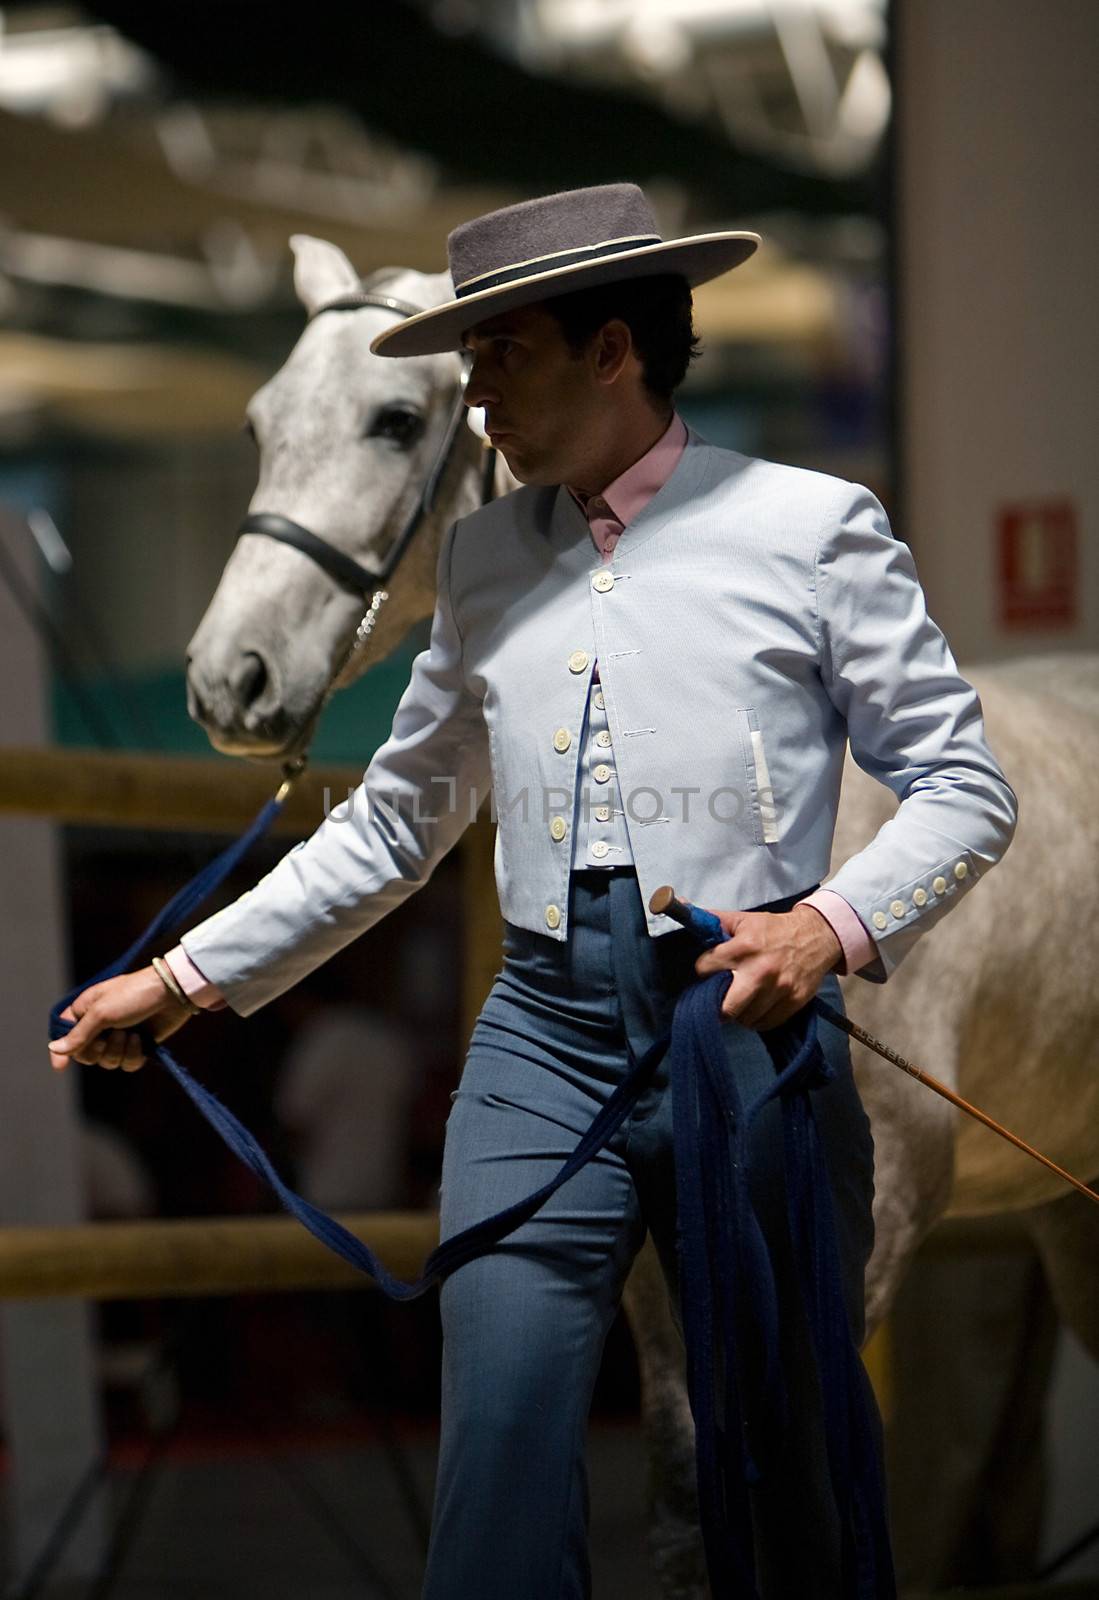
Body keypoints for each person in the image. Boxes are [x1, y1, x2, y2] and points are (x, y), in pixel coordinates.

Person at [49, 183, 1018, 1598]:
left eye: (499, 352)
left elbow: (964, 788)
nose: (474, 388)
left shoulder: (814, 528)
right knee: (496, 1442)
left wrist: (828, 926)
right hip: (542, 1042)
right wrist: (188, 974)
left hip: (739, 1041)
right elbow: (396, 825)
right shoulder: (489, 559)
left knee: (780, 1471)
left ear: (612, 350)